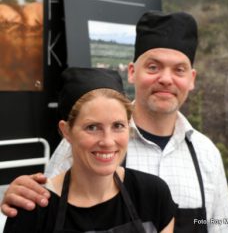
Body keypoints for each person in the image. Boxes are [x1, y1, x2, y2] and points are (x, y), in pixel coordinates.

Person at [1, 11, 228, 233]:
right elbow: (47, 202)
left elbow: (222, 224)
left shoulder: (207, 154)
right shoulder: (85, 144)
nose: (166, 79)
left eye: (179, 70)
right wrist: (24, 195)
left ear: (191, 79)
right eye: (153, 67)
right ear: (132, 72)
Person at [3, 67, 177, 233]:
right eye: (92, 127)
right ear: (66, 132)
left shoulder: (153, 194)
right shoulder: (34, 208)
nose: (108, 141)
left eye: (118, 125)